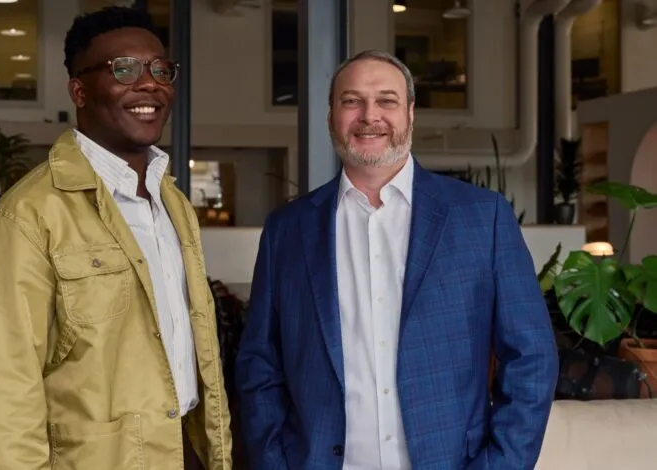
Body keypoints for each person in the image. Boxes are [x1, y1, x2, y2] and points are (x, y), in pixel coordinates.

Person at [235, 50, 559, 470]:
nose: (370, 116)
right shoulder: (288, 230)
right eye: (352, 101)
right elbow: (260, 363)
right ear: (332, 115)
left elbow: (532, 356)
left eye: (386, 100)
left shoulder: (483, 217)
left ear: (410, 113)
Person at [0, 6, 231, 469]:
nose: (149, 83)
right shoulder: (26, 218)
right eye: (123, 69)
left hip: (186, 452)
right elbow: (3, 394)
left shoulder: (173, 203)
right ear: (79, 90)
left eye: (160, 69)